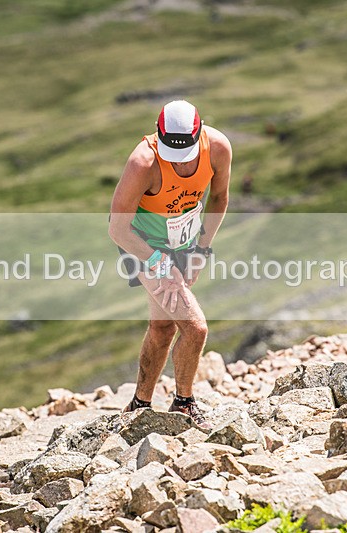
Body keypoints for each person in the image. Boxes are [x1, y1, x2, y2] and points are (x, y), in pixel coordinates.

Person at [108, 100, 232, 430]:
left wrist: (200, 251)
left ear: (200, 132)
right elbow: (117, 228)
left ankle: (139, 405)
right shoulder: (143, 161)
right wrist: (161, 265)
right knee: (195, 327)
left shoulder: (217, 148)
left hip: (185, 241)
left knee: (163, 326)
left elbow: (219, 198)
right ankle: (184, 404)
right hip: (142, 245)